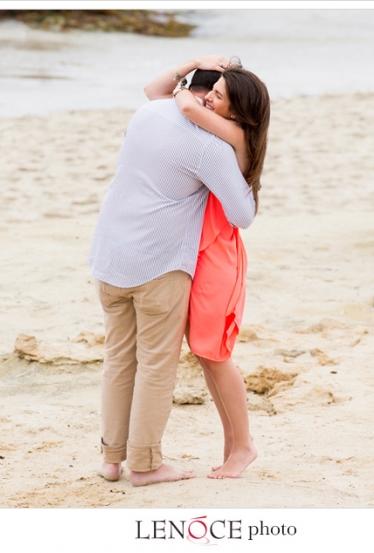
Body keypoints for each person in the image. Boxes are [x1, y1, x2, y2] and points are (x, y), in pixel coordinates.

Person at [88, 55, 257, 487]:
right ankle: (144, 465)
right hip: (157, 265)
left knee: (118, 359)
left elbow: (154, 90)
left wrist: (190, 65)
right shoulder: (210, 148)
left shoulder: (149, 112)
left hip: (108, 254)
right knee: (155, 366)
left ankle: (111, 460)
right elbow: (242, 215)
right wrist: (240, 152)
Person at [144, 58, 271, 479]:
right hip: (200, 253)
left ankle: (244, 446)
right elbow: (153, 94)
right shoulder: (220, 132)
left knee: (216, 356)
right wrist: (195, 65)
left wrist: (189, 85)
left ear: (237, 110)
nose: (208, 99)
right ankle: (233, 445)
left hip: (218, 256)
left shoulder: (237, 134)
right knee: (206, 354)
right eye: (210, 92)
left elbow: (181, 103)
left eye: (217, 95)